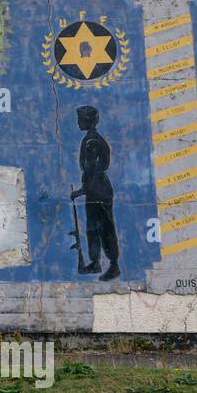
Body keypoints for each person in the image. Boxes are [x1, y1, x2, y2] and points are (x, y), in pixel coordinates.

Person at [70, 105, 120, 281]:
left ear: (87, 121)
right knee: (93, 229)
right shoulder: (91, 139)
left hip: (99, 190)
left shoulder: (92, 141)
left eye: (80, 119)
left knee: (105, 229)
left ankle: (114, 266)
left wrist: (82, 190)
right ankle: (96, 263)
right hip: (95, 190)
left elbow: (93, 169)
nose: (77, 122)